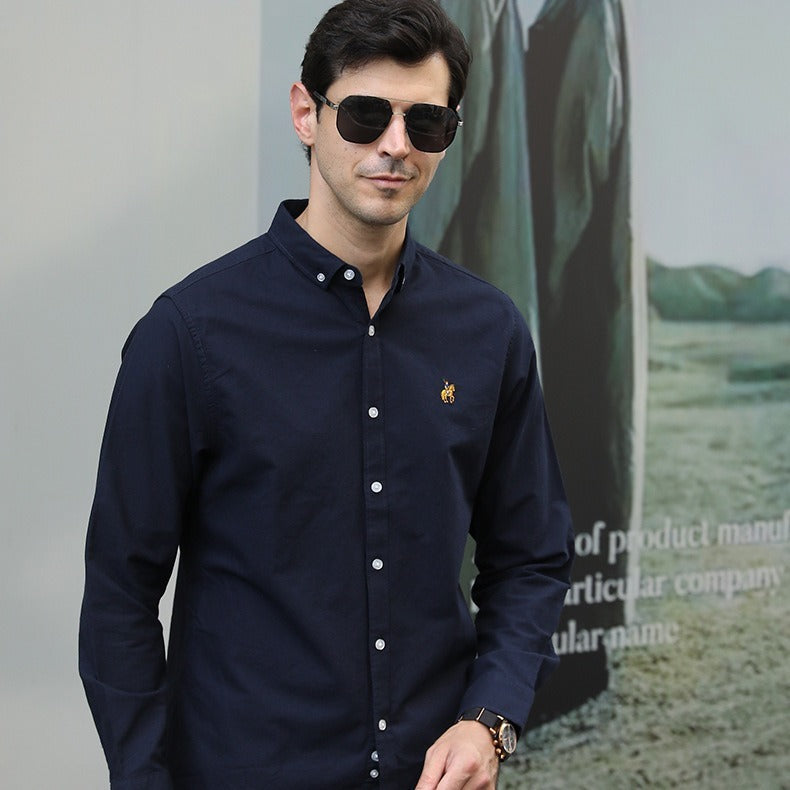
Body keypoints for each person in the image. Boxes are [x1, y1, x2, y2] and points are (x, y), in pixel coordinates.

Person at [79, 1, 574, 788]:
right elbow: (119, 596)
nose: (395, 145)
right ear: (306, 114)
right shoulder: (191, 333)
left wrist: (490, 724)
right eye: (367, 115)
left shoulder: (489, 330)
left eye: (426, 123)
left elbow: (531, 558)